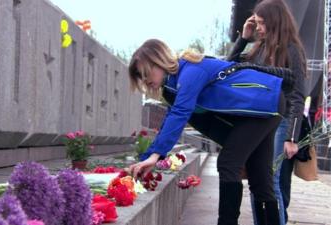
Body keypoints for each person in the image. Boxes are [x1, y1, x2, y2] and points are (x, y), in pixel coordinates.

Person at [128, 38, 295, 225]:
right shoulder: (174, 85)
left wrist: (157, 155)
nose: (145, 81)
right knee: (260, 179)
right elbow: (171, 118)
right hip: (264, 105)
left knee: (228, 162)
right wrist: (149, 158)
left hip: (262, 102)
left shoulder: (190, 70)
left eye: (145, 73)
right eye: (141, 78)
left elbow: (181, 112)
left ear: (158, 61)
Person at [227, 0, 307, 224]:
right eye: (257, 23)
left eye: (262, 23)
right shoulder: (260, 48)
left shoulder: (292, 49)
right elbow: (230, 66)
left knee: (270, 182)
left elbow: (298, 95)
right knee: (257, 180)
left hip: (280, 123)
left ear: (274, 21)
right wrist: (244, 37)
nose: (259, 27)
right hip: (259, 123)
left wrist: (291, 137)